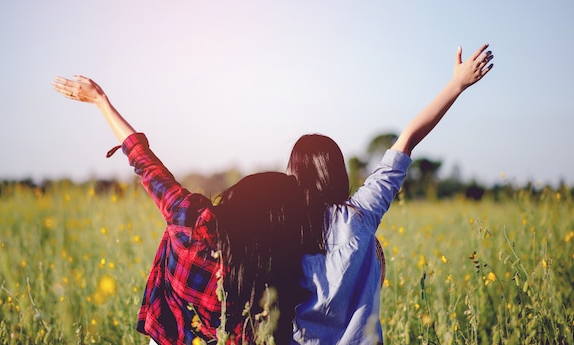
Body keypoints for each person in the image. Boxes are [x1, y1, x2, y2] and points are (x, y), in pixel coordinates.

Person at [52, 76, 307, 344]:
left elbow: (144, 161)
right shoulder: (272, 267)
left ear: (240, 194)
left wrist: (100, 101)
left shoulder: (192, 222)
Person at [288, 44, 494, 344]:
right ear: (338, 173)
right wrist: (456, 84)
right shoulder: (361, 215)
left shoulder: (282, 233)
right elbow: (407, 140)